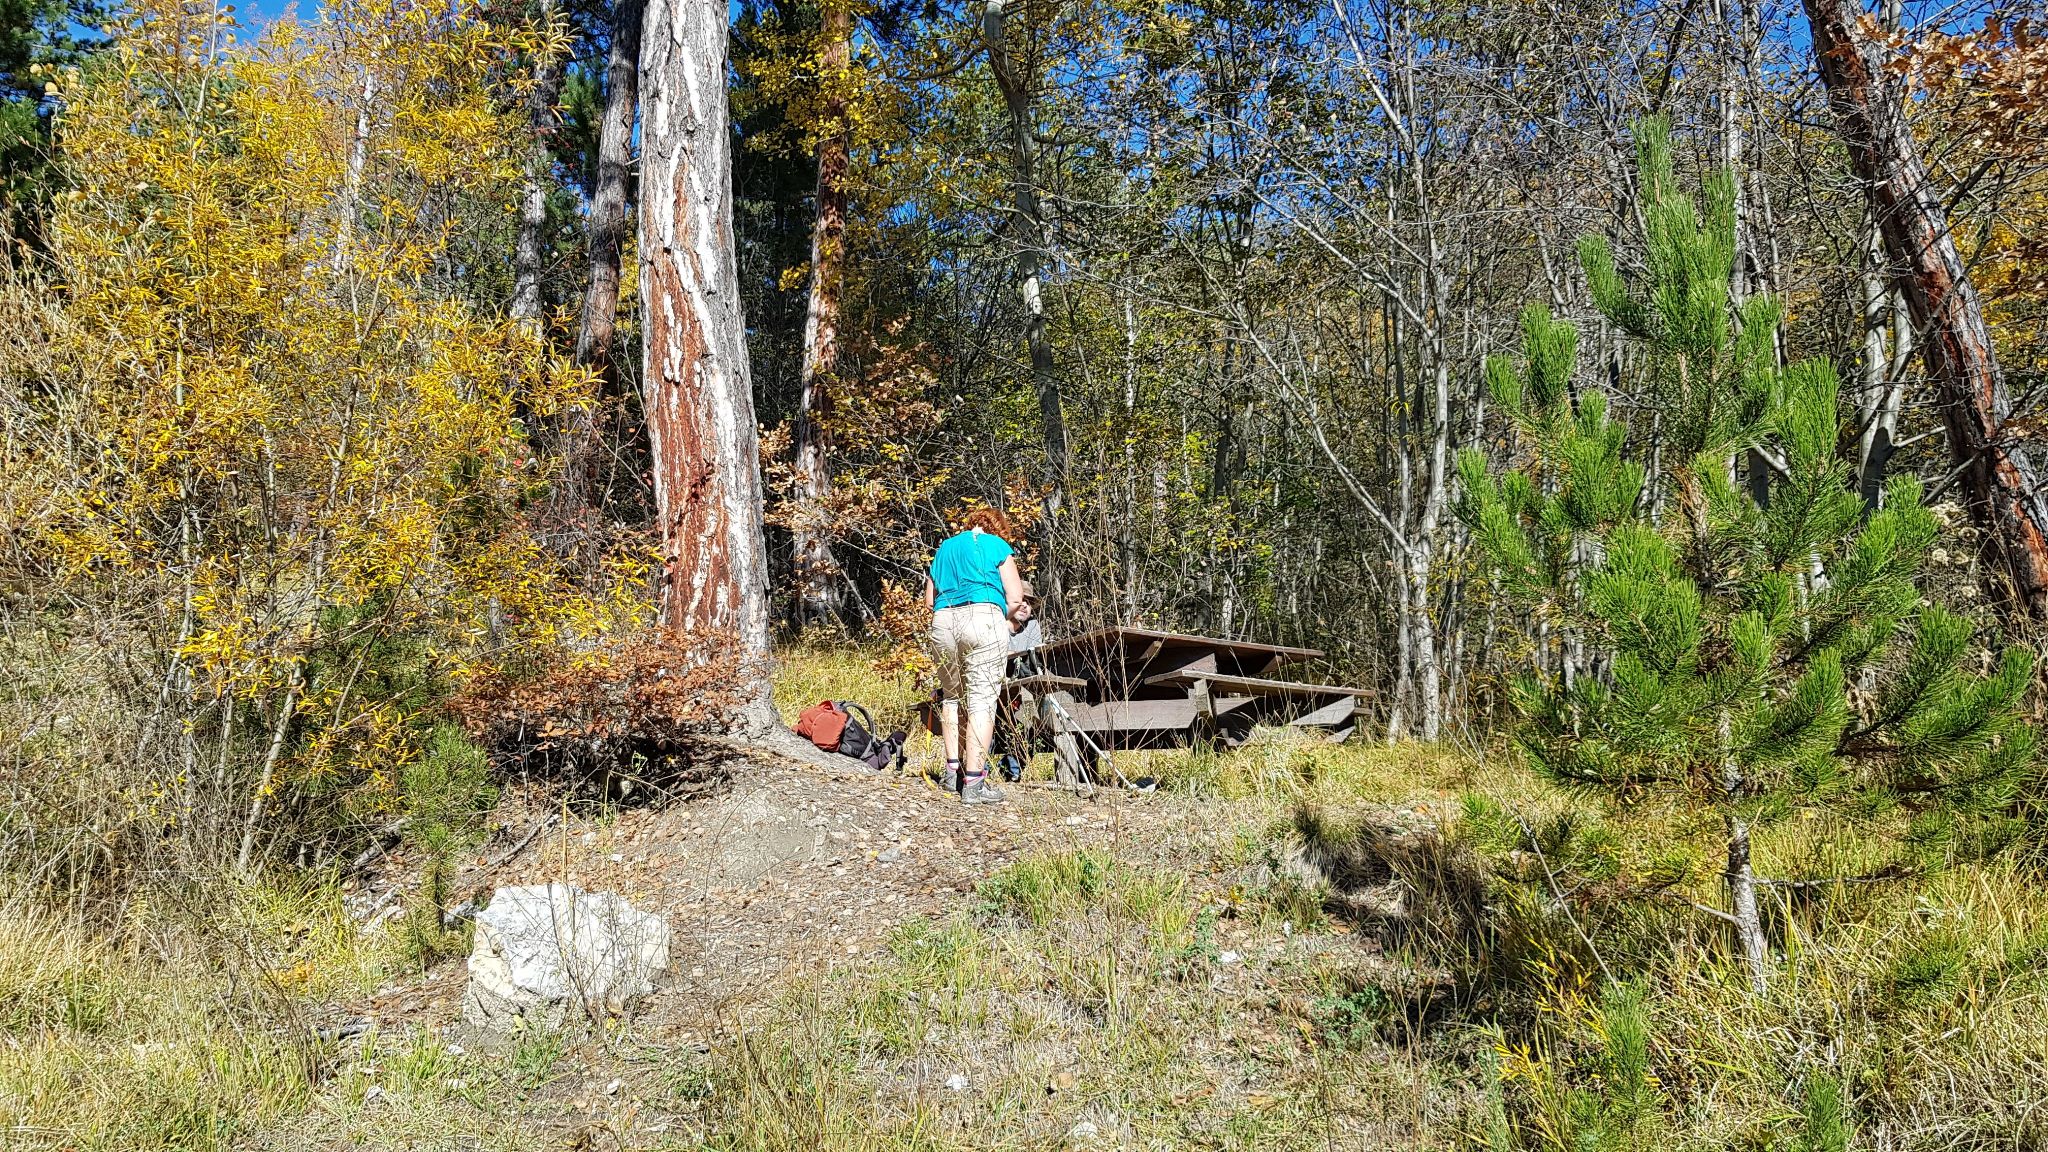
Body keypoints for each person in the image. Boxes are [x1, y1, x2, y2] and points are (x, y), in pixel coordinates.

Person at [923, 508, 1028, 804]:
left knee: (951, 697)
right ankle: (974, 783)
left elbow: (930, 601)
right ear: (998, 528)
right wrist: (998, 614)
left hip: (943, 621)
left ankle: (951, 772)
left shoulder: (944, 548)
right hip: (983, 617)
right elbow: (1016, 597)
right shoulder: (996, 545)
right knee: (981, 701)